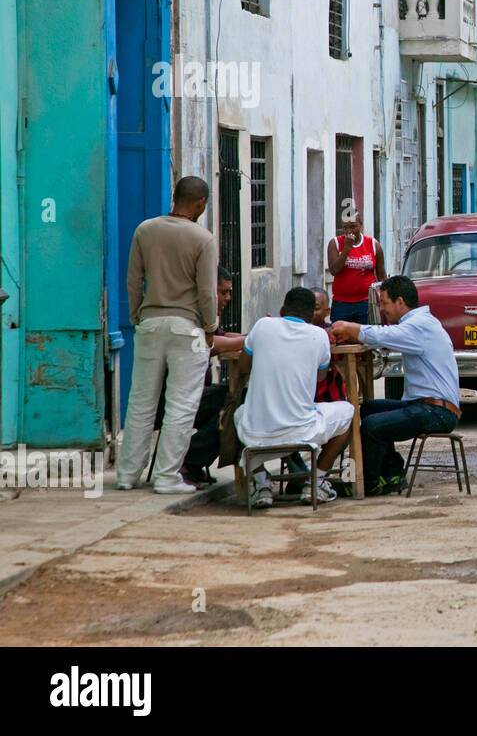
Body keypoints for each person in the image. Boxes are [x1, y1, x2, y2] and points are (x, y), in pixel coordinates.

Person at [117, 177, 219, 495]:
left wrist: (136, 316)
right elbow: (206, 293)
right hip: (186, 328)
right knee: (181, 404)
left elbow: (133, 280)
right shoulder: (203, 238)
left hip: (149, 323)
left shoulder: (145, 230)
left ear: (175, 197)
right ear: (201, 203)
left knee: (141, 402)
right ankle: (165, 476)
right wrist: (211, 328)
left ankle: (127, 474)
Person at [331, 275, 460, 497]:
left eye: (384, 303)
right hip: (424, 405)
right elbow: (385, 337)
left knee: (372, 426)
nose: (382, 309)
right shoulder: (418, 324)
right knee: (370, 408)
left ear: (400, 301)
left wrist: (352, 328)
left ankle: (368, 482)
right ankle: (393, 474)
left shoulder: (418, 326)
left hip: (436, 411)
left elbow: (385, 335)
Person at [235, 287, 355, 508]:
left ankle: (262, 484)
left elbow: (243, 366)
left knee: (238, 414)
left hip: (256, 434)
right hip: (302, 432)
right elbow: (320, 377)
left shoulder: (262, 326)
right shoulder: (318, 335)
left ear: (282, 310)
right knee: (349, 411)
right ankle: (316, 479)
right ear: (311, 316)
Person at [172, 266, 247, 487]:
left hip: (196, 394)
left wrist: (258, 333)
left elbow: (227, 336)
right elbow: (212, 343)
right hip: (179, 398)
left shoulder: (207, 318)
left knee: (236, 397)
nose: (228, 298)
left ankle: (193, 461)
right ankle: (188, 461)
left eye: (229, 292)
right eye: (223, 292)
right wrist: (258, 336)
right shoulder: (191, 318)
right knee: (234, 404)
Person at [327, 215, 387, 325]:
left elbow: (382, 276)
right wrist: (347, 248)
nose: (349, 231)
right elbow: (334, 270)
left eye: (353, 226)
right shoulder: (335, 243)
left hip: (367, 302)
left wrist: (384, 300)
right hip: (342, 303)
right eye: (345, 228)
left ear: (360, 225)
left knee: (365, 337)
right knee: (341, 337)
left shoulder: (373, 245)